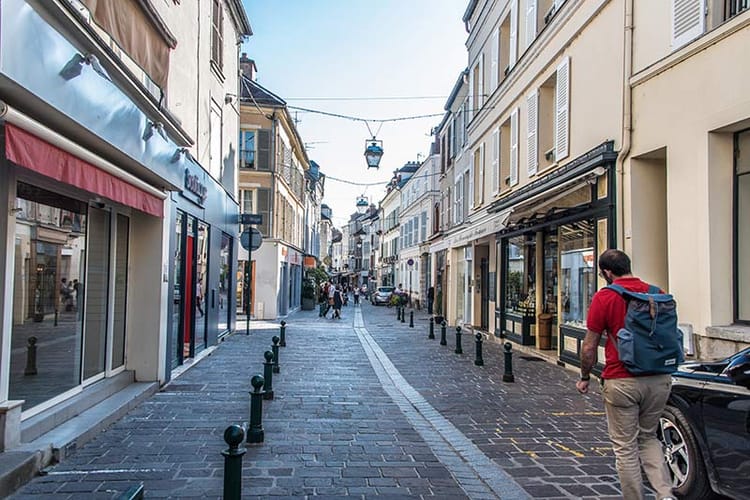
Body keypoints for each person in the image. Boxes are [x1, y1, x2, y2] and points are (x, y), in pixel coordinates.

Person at [576, 249, 674, 500]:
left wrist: (585, 376)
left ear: (607, 272)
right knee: (649, 437)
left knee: (625, 447)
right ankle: (665, 495)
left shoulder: (605, 297)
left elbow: (589, 346)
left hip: (622, 379)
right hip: (658, 378)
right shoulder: (656, 293)